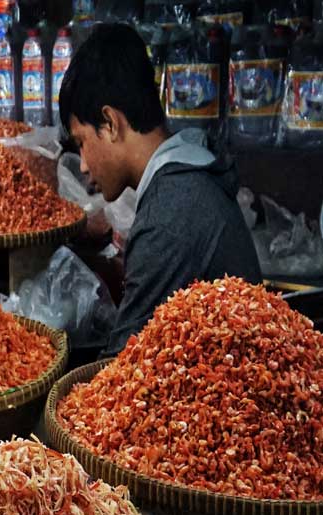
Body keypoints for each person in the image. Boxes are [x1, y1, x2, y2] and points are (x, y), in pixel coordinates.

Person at [58, 23, 261, 355]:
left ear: (109, 123)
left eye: (81, 142)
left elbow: (123, 366)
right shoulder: (188, 177)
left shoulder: (169, 214)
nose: (81, 164)